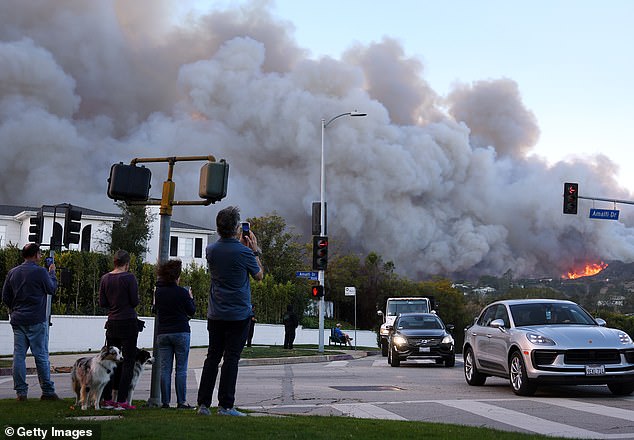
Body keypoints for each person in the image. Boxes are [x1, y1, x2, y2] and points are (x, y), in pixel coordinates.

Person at [197, 206, 263, 417]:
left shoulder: (211, 250)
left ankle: (203, 405)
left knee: (212, 358)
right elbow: (259, 275)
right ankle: (226, 405)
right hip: (239, 315)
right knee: (231, 358)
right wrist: (254, 250)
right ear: (237, 228)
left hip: (216, 313)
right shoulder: (244, 252)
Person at [2, 243, 59, 401]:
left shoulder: (13, 272)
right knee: (40, 355)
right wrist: (52, 273)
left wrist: (13, 310)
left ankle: (21, 392)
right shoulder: (41, 272)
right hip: (36, 319)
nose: (41, 257)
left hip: (18, 319)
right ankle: (47, 391)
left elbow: (5, 296)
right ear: (35, 255)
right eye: (40, 254)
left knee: (19, 356)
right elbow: (51, 289)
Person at [99, 249, 139, 410]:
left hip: (112, 322)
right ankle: (122, 400)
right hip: (128, 321)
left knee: (111, 360)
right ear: (127, 264)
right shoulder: (129, 278)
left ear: (114, 262)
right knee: (128, 361)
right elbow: (134, 301)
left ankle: (108, 398)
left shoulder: (105, 278)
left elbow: (102, 302)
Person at [155, 259, 196, 409]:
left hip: (163, 333)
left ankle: (165, 402)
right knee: (181, 369)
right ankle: (181, 402)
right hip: (181, 331)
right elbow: (191, 310)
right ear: (177, 276)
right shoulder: (182, 292)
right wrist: (190, 297)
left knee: (165, 369)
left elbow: (156, 309)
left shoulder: (159, 292)